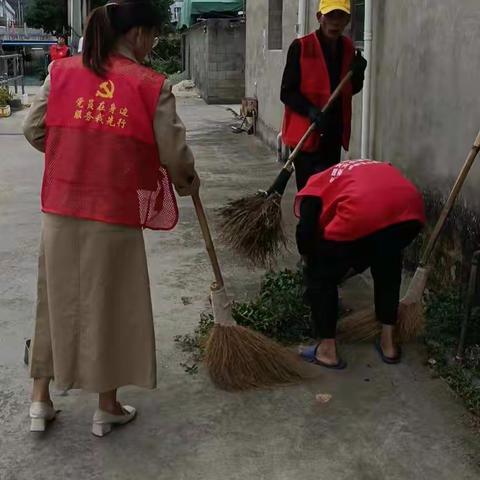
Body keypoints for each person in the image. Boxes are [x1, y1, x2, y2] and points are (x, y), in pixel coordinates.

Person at [23, 0, 199, 437]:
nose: (154, 44)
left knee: (55, 301)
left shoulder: (62, 72)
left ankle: (39, 402)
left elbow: (33, 128)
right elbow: (173, 153)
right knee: (113, 305)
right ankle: (107, 406)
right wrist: (187, 181)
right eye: (154, 36)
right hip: (113, 213)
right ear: (138, 34)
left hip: (60, 209)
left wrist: (75, 158)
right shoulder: (148, 85)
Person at [295, 160, 425, 368]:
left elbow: (305, 233)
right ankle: (388, 343)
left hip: (364, 210)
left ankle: (327, 350)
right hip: (410, 210)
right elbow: (366, 244)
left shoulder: (313, 187)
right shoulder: (355, 170)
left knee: (320, 274)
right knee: (387, 266)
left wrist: (311, 262)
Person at [281, 0, 367, 191]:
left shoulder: (347, 49)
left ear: (348, 20)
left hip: (333, 134)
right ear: (320, 18)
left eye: (340, 16)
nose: (335, 22)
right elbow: (287, 92)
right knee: (309, 195)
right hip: (307, 134)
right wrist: (309, 110)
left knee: (328, 193)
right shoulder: (301, 47)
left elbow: (349, 90)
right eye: (330, 16)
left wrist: (359, 73)